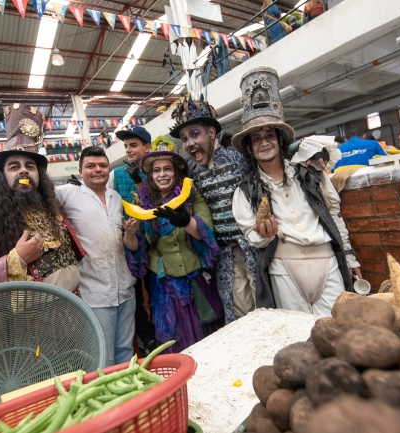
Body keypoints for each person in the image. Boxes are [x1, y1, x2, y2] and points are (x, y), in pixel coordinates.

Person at [231, 67, 359, 317]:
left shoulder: (310, 173)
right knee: (298, 336)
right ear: (249, 147)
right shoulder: (244, 192)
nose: (264, 142)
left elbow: (334, 213)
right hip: (283, 269)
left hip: (327, 262)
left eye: (269, 135)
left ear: (280, 140)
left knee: (337, 327)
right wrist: (264, 235)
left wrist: (350, 257)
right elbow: (251, 236)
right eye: (256, 139)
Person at [0, 104, 85, 294]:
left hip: (73, 307)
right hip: (30, 319)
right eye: (14, 167)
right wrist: (17, 259)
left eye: (30, 166)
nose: (23, 170)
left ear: (39, 175)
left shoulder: (50, 206)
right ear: (2, 176)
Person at [124, 142, 224, 353]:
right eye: (157, 170)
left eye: (167, 169)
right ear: (150, 176)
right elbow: (137, 247)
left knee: (208, 341)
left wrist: (185, 220)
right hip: (164, 288)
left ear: (176, 172)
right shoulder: (143, 205)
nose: (162, 175)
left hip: (197, 282)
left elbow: (206, 229)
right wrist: (130, 234)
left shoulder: (191, 197)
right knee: (175, 343)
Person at [171, 93, 257, 325]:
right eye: (185, 138)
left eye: (195, 134)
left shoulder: (241, 159)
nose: (189, 143)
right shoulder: (191, 172)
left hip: (258, 251)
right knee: (240, 320)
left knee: (270, 309)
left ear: (211, 133)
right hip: (225, 258)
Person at [56, 146, 136, 366]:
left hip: (125, 289)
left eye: (102, 165)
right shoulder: (67, 193)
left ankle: (126, 397)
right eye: (90, 166)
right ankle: (106, 399)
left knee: (125, 351)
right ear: (80, 171)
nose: (97, 170)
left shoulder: (116, 197)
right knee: (102, 356)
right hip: (94, 293)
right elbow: (37, 197)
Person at [106, 125, 158, 354]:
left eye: (133, 145)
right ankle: (146, 340)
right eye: (126, 145)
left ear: (147, 147)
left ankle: (161, 335)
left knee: (157, 294)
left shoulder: (159, 169)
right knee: (135, 297)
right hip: (131, 247)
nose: (128, 150)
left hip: (158, 244)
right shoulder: (116, 175)